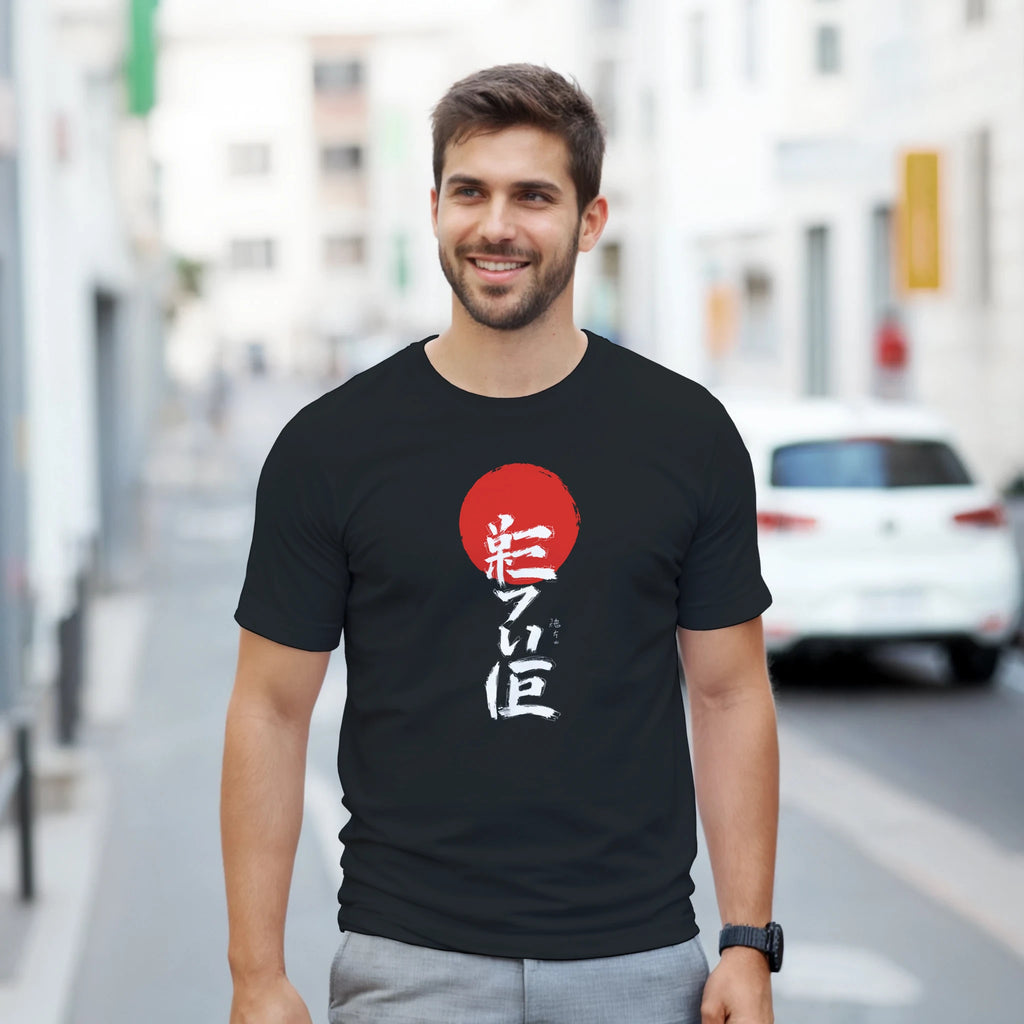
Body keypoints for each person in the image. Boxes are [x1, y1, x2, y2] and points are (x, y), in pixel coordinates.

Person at [222, 64, 780, 1024]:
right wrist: (256, 975)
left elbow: (728, 691)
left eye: (534, 195)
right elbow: (270, 711)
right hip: (409, 962)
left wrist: (746, 942)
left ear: (590, 220)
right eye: (470, 192)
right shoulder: (332, 445)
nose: (497, 226)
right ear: (434, 207)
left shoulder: (685, 435)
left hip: (640, 961)